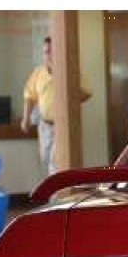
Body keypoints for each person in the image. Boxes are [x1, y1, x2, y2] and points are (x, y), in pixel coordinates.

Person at [20, 37, 91, 176]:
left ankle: (58, 194)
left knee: (56, 162)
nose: (49, 55)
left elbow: (86, 94)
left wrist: (69, 85)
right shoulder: (38, 72)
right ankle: (56, 191)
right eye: (46, 52)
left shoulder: (71, 70)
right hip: (45, 125)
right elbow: (29, 95)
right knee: (46, 159)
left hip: (63, 125)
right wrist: (26, 118)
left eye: (52, 51)